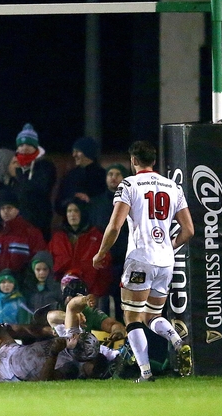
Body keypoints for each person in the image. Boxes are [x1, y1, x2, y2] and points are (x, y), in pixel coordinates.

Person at [93, 141, 195, 382]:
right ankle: (178, 341)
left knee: (132, 318)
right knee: (152, 316)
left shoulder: (129, 185)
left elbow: (115, 225)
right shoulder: (173, 186)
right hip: (165, 261)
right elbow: (189, 230)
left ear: (133, 161)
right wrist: (170, 246)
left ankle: (146, 372)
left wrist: (101, 252)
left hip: (140, 258)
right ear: (154, 161)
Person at [89, 163, 131, 319]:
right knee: (103, 303)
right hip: (104, 261)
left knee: (125, 303)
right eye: (110, 174)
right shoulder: (96, 203)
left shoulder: (131, 201)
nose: (113, 178)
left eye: (117, 174)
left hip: (126, 259)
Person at [48, 198, 112, 301]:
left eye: (76, 210)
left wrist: (96, 294)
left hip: (91, 295)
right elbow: (50, 265)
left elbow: (104, 269)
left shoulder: (97, 237)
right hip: (61, 295)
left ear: (83, 213)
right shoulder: (57, 238)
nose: (72, 214)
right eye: (69, 211)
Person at [0, 188, 46, 291]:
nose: (5, 211)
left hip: (24, 287)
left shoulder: (30, 232)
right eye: (2, 208)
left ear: (17, 209)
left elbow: (39, 258)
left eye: (9, 208)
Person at [12, 124, 57, 240]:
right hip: (18, 222)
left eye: (28, 144)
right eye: (21, 145)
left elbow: (41, 187)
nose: (24, 148)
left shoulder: (45, 166)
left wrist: (23, 183)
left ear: (35, 146)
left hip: (40, 221)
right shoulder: (14, 166)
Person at [55, 136, 107, 214]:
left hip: (94, 223)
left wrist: (89, 200)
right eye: (73, 151)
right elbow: (58, 205)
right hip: (70, 224)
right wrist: (72, 200)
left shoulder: (102, 176)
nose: (74, 155)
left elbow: (107, 203)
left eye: (77, 151)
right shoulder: (70, 176)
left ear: (88, 152)